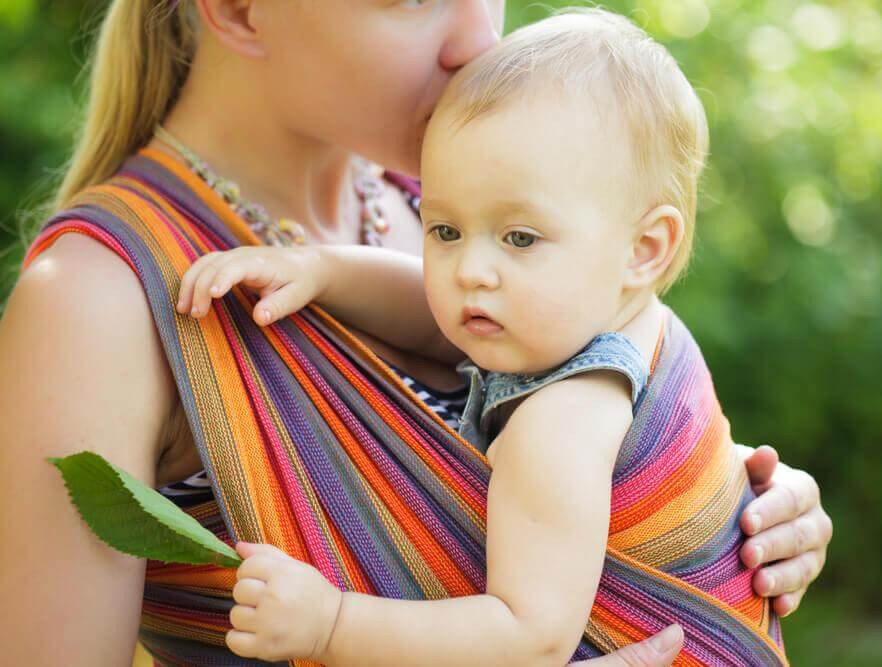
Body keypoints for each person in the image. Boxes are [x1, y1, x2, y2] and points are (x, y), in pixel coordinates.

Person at [0, 1, 832, 665]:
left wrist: (716, 519)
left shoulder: (457, 214)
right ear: (243, 10)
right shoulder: (101, 300)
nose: (479, 37)